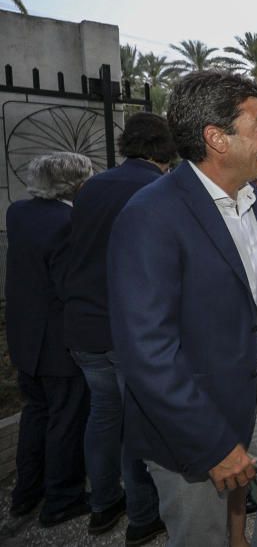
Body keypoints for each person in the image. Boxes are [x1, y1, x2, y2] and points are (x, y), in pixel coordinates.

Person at [107, 70, 257, 547]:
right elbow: (147, 352)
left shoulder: (252, 201)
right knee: (202, 534)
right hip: (189, 405)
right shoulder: (150, 216)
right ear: (216, 138)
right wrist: (213, 443)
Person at [61, 112, 173, 543]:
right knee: (137, 424)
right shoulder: (155, 188)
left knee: (103, 416)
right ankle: (143, 516)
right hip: (128, 328)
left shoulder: (91, 187)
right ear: (166, 149)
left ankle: (103, 504)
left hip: (83, 323)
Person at [5, 152, 92, 528]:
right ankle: (62, 499)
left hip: (24, 336)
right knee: (66, 419)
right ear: (74, 185)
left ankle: (26, 495)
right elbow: (69, 285)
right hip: (58, 340)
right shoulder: (70, 222)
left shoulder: (18, 213)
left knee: (36, 415)